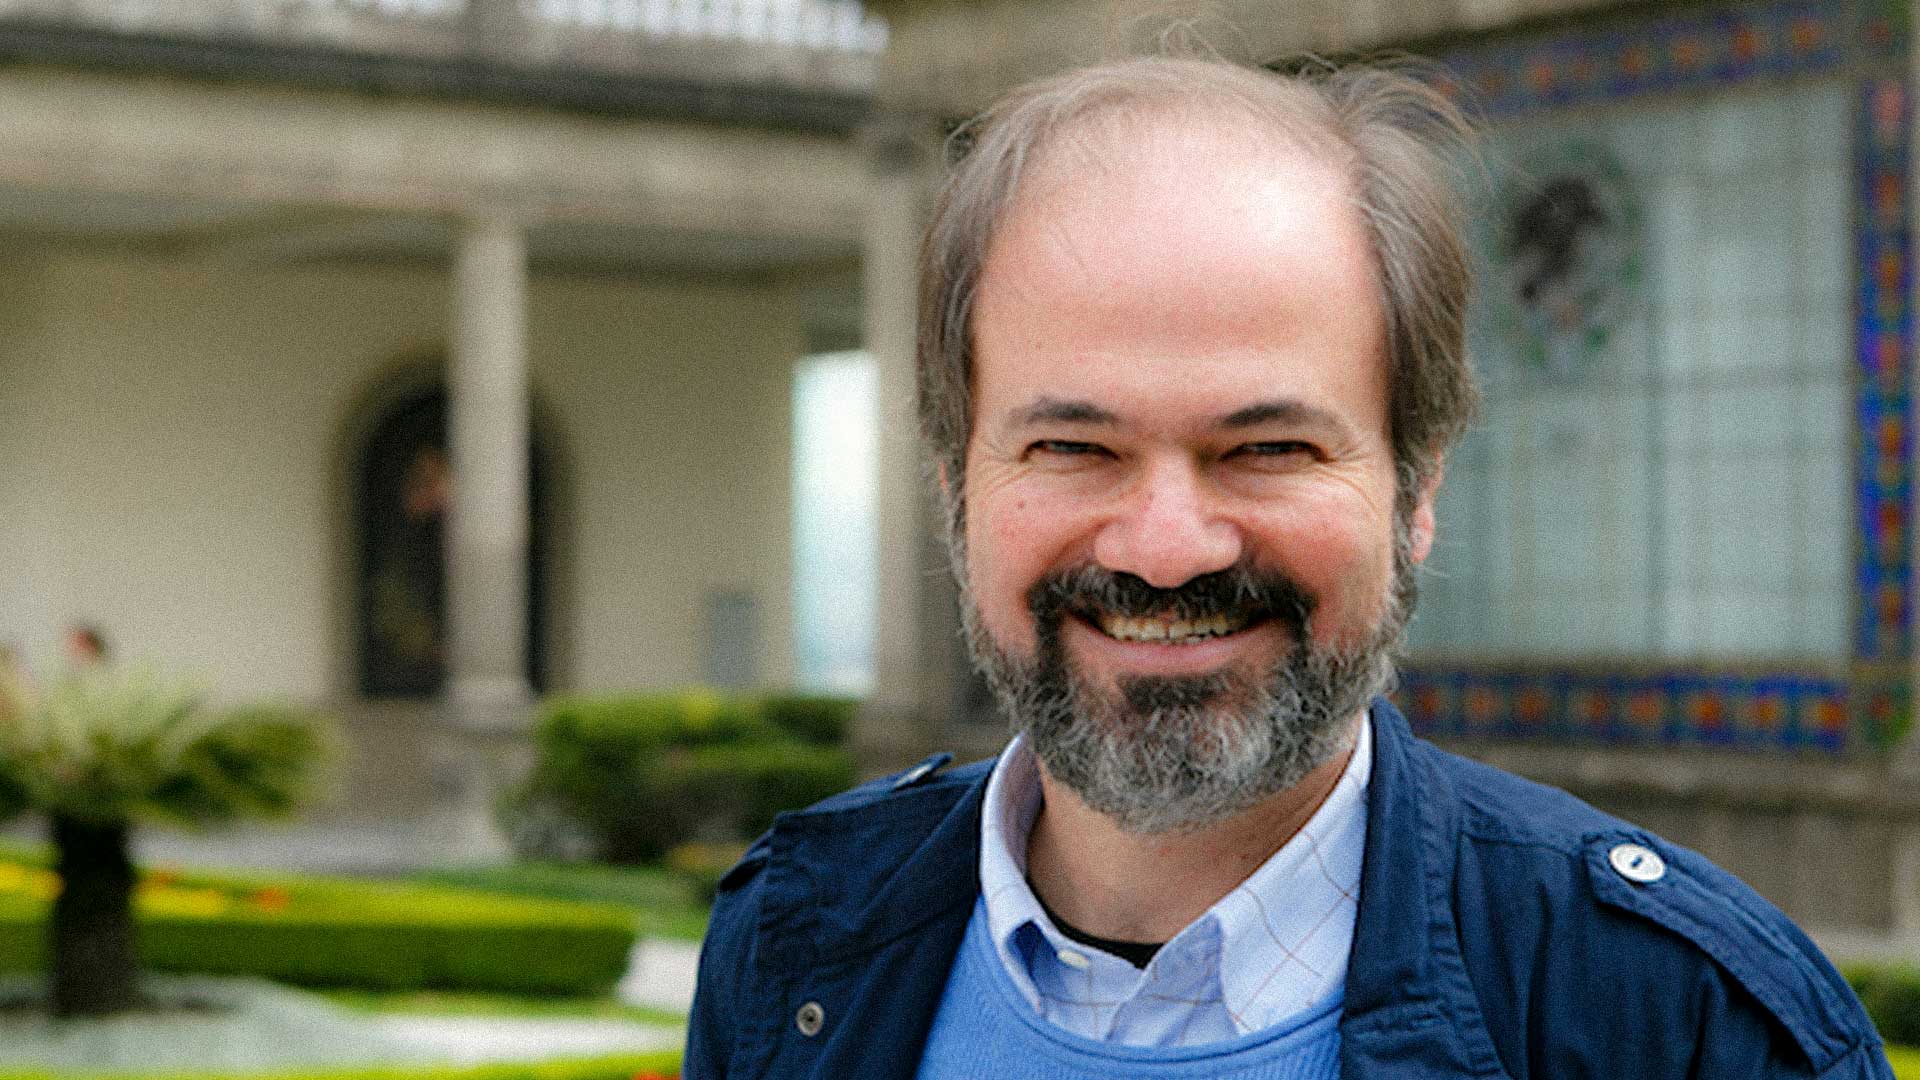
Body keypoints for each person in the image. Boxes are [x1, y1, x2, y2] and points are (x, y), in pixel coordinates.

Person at [686, 56, 1889, 1078]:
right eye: (1074, 448)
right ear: (957, 485)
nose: (1165, 549)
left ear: (1417, 490)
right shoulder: (793, 946)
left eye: (1267, 449)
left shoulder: (1680, 1024)